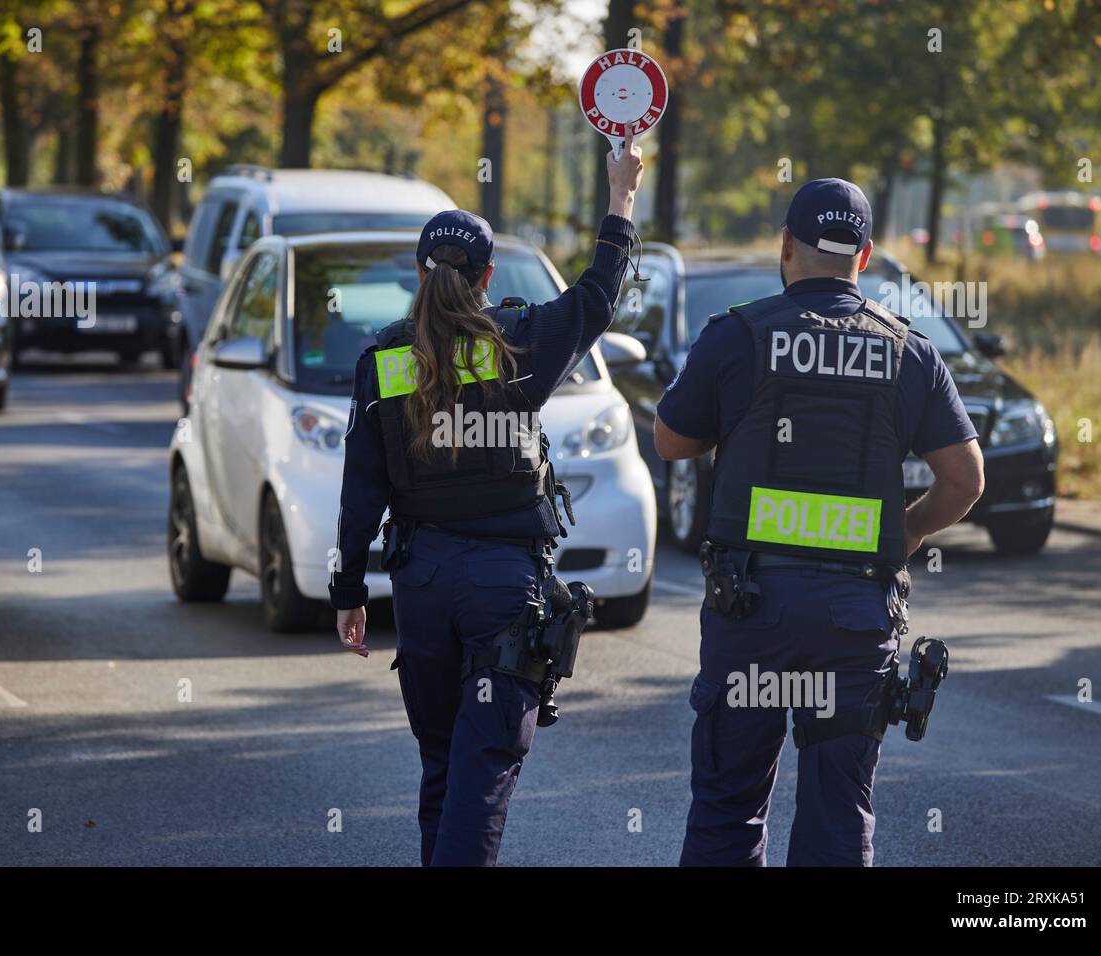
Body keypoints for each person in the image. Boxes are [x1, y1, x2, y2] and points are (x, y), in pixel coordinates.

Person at [329, 134, 646, 866]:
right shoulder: (518, 342)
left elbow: (360, 491)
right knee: (485, 765)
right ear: (487, 275)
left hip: (423, 585)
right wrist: (620, 199)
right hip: (505, 587)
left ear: (418, 272)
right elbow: (598, 296)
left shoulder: (384, 359)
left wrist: (348, 590)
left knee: (442, 763)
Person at [655, 178, 985, 867]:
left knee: (728, 805)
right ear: (863, 257)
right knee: (839, 811)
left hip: (752, 612)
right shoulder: (909, 352)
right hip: (852, 616)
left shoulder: (738, 335)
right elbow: (965, 480)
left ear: (785, 247)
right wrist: (909, 532)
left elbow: (670, 442)